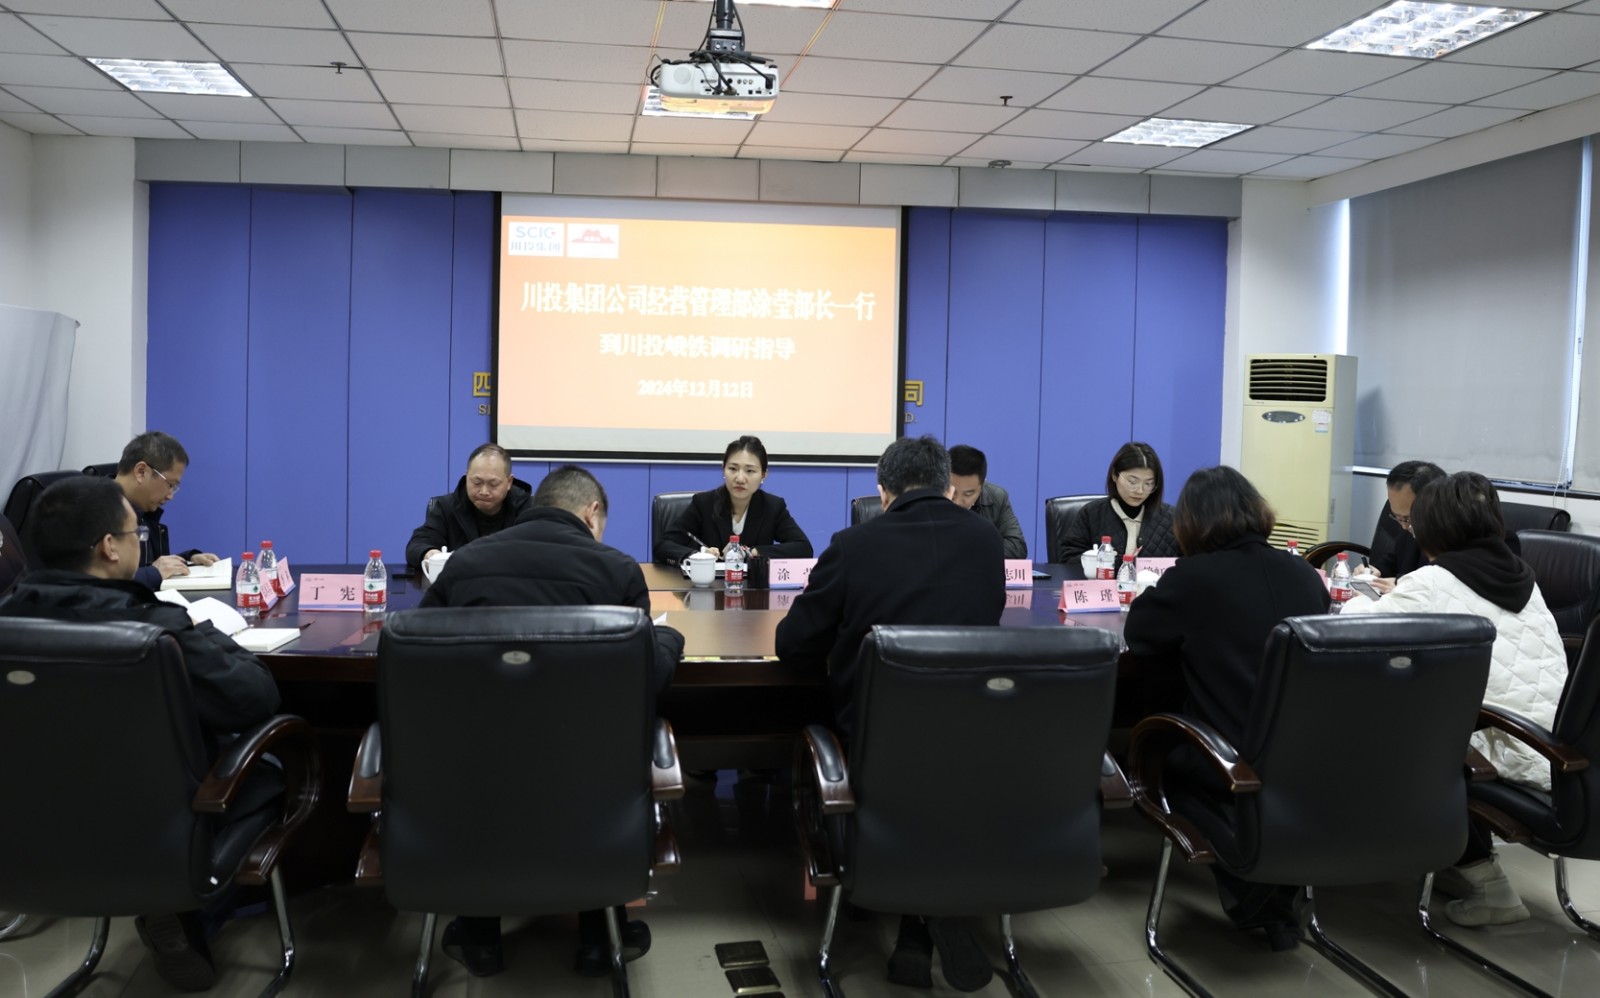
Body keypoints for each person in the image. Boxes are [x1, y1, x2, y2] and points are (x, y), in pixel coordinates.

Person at [0, 476, 281, 992]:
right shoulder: (156, 628)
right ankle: (192, 912)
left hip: (28, 834)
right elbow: (255, 698)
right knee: (272, 769)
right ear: (109, 547)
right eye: (136, 535)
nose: (140, 544)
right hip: (155, 829)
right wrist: (205, 632)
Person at [419, 465, 685, 979]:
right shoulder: (617, 570)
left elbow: (422, 653)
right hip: (585, 779)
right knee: (594, 755)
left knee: (487, 756)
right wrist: (667, 639)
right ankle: (598, 940)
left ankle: (479, 938)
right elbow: (646, 678)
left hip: (476, 773)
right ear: (591, 513)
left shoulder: (467, 562)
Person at [776, 435, 1005, 993]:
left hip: (877, 744)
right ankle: (923, 924)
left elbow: (794, 646)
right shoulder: (985, 540)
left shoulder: (853, 545)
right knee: (934, 776)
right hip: (971, 735)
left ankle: (911, 913)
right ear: (947, 487)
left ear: (883, 492)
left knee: (897, 766)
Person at [1343, 471, 1567, 927]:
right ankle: (1444, 857)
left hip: (1508, 747)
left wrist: (1355, 597)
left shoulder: (1435, 580)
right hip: (1558, 745)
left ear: (1432, 527)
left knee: (1385, 738)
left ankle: (1487, 883)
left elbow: (1355, 627)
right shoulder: (1524, 578)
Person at [1124, 466, 1330, 951]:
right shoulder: (1303, 574)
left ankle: (1257, 895)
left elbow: (1141, 634)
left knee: (1163, 757)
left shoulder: (1195, 578)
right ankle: (1271, 896)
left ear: (1192, 523)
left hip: (1230, 757)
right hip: (1306, 756)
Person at [653, 435, 813, 564]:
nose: (740, 478)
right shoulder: (704, 503)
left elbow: (803, 548)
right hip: (708, 588)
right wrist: (700, 554)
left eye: (750, 471)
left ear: (763, 475)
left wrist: (752, 552)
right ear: (723, 470)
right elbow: (663, 545)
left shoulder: (772, 507)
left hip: (755, 590)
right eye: (733, 469)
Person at [111, 431, 220, 590]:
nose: (170, 496)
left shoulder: (142, 511)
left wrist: (187, 560)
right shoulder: (93, 511)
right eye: (170, 485)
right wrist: (153, 573)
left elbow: (149, 565)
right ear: (141, 472)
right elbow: (96, 583)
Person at [406, 443, 533, 568]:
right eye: (477, 482)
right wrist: (431, 554)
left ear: (509, 482)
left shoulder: (529, 510)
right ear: (466, 477)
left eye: (493, 484)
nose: (484, 491)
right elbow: (417, 545)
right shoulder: (446, 507)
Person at [1056, 442, 1180, 563]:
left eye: (1148, 483)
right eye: (1132, 482)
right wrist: (1107, 562)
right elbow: (1069, 559)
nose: (1140, 491)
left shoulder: (1172, 518)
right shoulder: (1091, 514)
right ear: (1115, 475)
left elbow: (1186, 562)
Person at [1364, 460, 1446, 586]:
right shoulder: (1408, 525)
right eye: (1397, 517)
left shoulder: (1452, 536)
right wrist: (1376, 570)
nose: (1403, 526)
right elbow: (1394, 560)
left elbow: (1439, 582)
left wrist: (1399, 583)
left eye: (1407, 518)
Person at [947, 444, 1027, 558]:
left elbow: (1017, 546)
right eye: (952, 492)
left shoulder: (997, 497)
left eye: (968, 494)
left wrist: (970, 551)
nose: (958, 502)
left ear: (982, 486)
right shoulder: (931, 497)